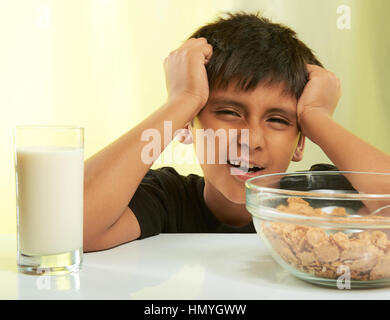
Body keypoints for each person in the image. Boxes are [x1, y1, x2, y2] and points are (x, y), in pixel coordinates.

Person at [83, 12, 390, 252]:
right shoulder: (167, 199)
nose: (251, 141)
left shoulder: (315, 199)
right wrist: (183, 99)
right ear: (189, 124)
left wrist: (317, 117)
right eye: (229, 113)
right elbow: (67, 227)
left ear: (301, 142)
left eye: (278, 120)